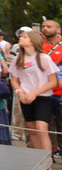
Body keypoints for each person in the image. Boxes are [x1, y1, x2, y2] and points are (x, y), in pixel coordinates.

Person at [10, 29, 60, 170]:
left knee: (42, 129)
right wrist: (20, 92)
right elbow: (14, 79)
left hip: (42, 97)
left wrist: (35, 93)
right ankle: (38, 164)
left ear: (32, 40)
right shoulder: (19, 58)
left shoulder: (43, 58)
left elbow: (53, 81)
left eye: (24, 36)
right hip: (25, 98)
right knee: (32, 131)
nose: (21, 38)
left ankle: (48, 166)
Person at [39, 20, 62, 161]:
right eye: (43, 27)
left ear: (58, 30)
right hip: (44, 93)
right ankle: (49, 156)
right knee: (45, 126)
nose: (45, 29)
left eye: (49, 26)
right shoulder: (38, 46)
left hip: (59, 92)